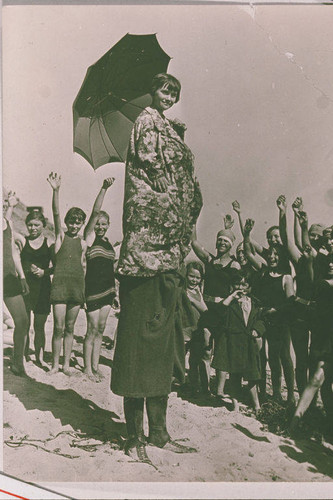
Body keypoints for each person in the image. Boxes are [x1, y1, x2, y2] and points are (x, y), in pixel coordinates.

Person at [111, 73, 202, 463]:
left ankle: (160, 432)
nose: (169, 96)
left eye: (174, 92)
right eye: (165, 89)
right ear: (153, 90)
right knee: (136, 345)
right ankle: (134, 436)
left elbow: (183, 183)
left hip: (168, 252)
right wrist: (177, 202)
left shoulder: (169, 127)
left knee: (162, 347)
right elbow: (154, 169)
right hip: (145, 254)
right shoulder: (147, 121)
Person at [243, 218, 296, 405]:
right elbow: (249, 254)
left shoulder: (286, 277)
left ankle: (289, 395)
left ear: (281, 257)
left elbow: (291, 303)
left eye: (276, 255)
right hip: (264, 318)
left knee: (282, 358)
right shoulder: (263, 271)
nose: (272, 257)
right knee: (265, 357)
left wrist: (276, 310)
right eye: (270, 255)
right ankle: (271, 394)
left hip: (280, 320)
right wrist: (247, 234)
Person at [204, 270, 265, 414]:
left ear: (249, 286)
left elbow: (261, 319)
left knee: (252, 376)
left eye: (244, 284)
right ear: (232, 286)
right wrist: (231, 296)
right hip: (233, 342)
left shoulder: (254, 302)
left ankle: (256, 405)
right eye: (237, 284)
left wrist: (257, 330)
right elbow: (219, 312)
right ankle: (235, 405)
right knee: (235, 377)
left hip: (248, 342)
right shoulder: (229, 303)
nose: (241, 287)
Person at [192, 226, 240, 398]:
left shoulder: (235, 265)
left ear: (231, 245)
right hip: (208, 309)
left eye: (226, 241)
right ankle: (205, 389)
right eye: (220, 239)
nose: (221, 243)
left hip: (224, 310)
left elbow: (238, 288)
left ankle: (219, 391)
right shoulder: (210, 260)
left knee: (221, 350)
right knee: (205, 348)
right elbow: (195, 243)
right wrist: (194, 221)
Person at [47, 172, 87, 375]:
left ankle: (66, 365)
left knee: (70, 328)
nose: (74, 225)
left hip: (76, 289)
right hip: (60, 288)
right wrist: (56, 191)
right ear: (67, 221)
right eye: (71, 221)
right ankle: (55, 365)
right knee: (58, 328)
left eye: (78, 222)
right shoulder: (60, 236)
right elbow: (55, 213)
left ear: (82, 224)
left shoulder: (83, 242)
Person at [83, 177, 116, 381]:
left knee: (101, 329)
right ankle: (87, 368)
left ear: (108, 225)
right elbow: (95, 213)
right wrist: (104, 188)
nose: (100, 227)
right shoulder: (90, 238)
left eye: (104, 224)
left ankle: (96, 366)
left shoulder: (110, 244)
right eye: (98, 224)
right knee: (91, 329)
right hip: (93, 289)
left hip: (108, 290)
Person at [18, 208, 53, 366]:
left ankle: (39, 357)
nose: (33, 228)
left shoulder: (49, 243)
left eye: (36, 225)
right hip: (25, 287)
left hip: (43, 288)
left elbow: (57, 266)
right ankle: (23, 355)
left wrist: (44, 271)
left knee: (39, 325)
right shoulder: (23, 242)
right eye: (30, 225)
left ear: (43, 225)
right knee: (24, 324)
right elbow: (15, 262)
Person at [3, 192, 30, 376]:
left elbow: (13, 253)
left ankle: (17, 362)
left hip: (9, 278)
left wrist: (22, 277)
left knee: (23, 321)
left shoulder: (8, 223)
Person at [184, 261, 211, 395]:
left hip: (197, 328)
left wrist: (192, 300)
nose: (194, 280)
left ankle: (194, 386)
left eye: (197, 278)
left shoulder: (198, 291)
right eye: (191, 276)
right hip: (184, 327)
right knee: (178, 356)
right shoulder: (182, 289)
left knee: (194, 359)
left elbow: (205, 309)